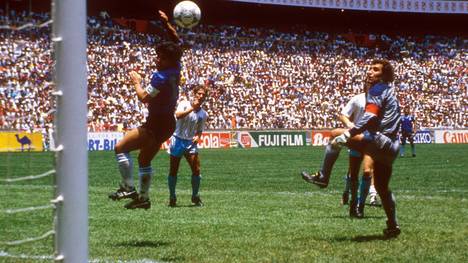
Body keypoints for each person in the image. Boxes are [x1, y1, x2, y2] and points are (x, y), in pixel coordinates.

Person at [302, 59, 401, 238]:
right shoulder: (390, 91)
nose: (370, 72)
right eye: (370, 68)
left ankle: (323, 177)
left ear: (384, 75)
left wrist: (349, 134)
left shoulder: (377, 89)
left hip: (379, 140)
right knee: (381, 187)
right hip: (393, 146)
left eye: (375, 70)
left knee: (334, 134)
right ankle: (393, 225)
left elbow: (370, 116)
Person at [108, 10, 182, 210]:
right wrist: (167, 24)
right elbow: (176, 42)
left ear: (166, 59)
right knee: (143, 159)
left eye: (160, 57)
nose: (156, 60)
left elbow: (144, 98)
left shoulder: (160, 77)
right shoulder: (177, 66)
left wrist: (136, 82)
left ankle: (127, 188)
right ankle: (143, 198)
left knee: (120, 148)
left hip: (157, 122)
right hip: (168, 123)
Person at [167, 85, 208, 207]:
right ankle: (172, 196)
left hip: (190, 143)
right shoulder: (184, 103)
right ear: (194, 94)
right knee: (173, 170)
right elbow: (178, 115)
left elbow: (200, 129)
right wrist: (192, 108)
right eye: (199, 93)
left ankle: (195, 196)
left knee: (196, 170)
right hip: (177, 140)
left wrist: (198, 136)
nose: (201, 96)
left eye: (203, 95)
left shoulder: (203, 114)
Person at [338, 91, 377, 218]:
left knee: (367, 171)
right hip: (356, 139)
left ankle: (361, 205)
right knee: (352, 172)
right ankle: (349, 195)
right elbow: (343, 115)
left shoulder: (381, 99)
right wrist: (350, 124)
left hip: (371, 140)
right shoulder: (357, 99)